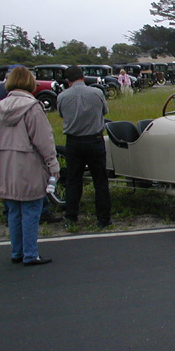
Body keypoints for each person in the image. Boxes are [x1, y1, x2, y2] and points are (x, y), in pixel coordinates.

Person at [0, 66, 59, 266]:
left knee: (13, 210)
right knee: (31, 210)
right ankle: (30, 253)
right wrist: (53, 165)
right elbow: (44, 140)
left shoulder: (0, 106)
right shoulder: (32, 107)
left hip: (3, 165)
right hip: (27, 164)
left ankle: (17, 251)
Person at [56, 65, 112, 228]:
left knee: (73, 181)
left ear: (68, 80)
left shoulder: (62, 96)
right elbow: (105, 111)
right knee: (100, 181)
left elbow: (61, 114)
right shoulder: (97, 93)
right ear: (83, 76)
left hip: (73, 142)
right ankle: (103, 219)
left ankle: (71, 217)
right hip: (94, 140)